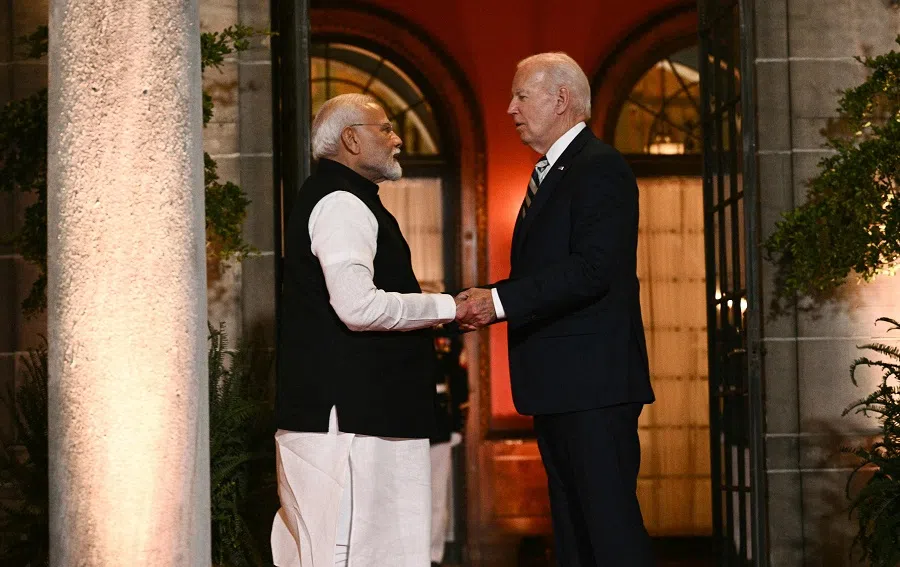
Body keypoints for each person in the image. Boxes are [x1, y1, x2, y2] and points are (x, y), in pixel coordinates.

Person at [455, 52, 655, 565]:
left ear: (560, 99)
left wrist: (496, 300)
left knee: (608, 533)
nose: (510, 108)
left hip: (594, 388)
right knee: (573, 534)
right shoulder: (554, 171)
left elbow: (592, 270)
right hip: (562, 388)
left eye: (521, 95)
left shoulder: (599, 167)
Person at [271, 93, 461, 567]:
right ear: (351, 139)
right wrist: (449, 306)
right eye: (386, 129)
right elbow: (357, 306)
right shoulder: (341, 203)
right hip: (350, 426)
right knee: (352, 554)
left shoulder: (345, 199)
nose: (397, 140)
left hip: (361, 419)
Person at [428, 333, 468, 567]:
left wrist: (457, 424)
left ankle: (432, 556)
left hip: (440, 423)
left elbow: (458, 376)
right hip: (406, 423)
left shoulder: (447, 332)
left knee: (437, 495)